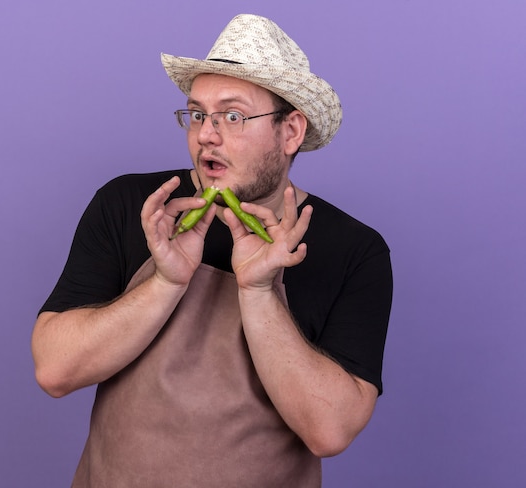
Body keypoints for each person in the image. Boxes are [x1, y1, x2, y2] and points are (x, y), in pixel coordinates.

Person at [32, 13, 392, 487]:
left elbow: (330, 430)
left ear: (291, 132)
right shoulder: (134, 207)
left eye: (234, 116)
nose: (206, 134)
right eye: (198, 113)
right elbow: (55, 370)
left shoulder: (354, 250)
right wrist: (166, 281)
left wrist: (260, 291)